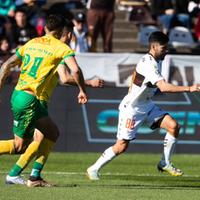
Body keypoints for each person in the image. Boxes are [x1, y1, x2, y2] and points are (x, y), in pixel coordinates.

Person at [87, 31, 200, 180]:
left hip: (146, 105)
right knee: (121, 146)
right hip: (132, 109)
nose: (166, 51)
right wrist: (189, 88)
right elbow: (164, 87)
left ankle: (164, 162)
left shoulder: (157, 59)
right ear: (153, 46)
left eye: (167, 48)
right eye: (163, 48)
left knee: (174, 126)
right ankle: (93, 169)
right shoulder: (148, 64)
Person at [0, 14, 88, 187]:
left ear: (46, 28)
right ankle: (17, 176)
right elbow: (75, 71)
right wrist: (83, 89)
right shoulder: (60, 47)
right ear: (63, 31)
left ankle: (35, 178)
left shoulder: (31, 43)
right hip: (29, 100)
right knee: (19, 146)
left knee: (52, 133)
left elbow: (5, 66)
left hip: (20, 94)